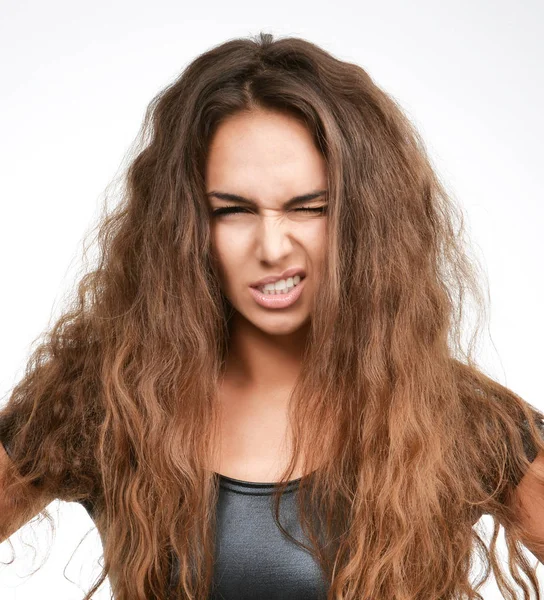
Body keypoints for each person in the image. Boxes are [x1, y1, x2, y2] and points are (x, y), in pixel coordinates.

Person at [1, 31, 543, 600]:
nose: (273, 246)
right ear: (184, 228)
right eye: (233, 211)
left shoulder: (454, 418)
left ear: (366, 222)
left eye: (308, 208)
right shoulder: (108, 401)